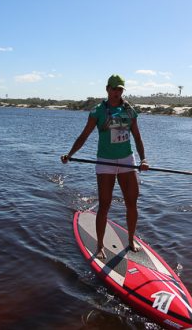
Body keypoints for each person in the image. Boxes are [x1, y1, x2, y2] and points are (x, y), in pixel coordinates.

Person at [61, 74, 148, 259]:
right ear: (107, 89)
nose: (117, 92)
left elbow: (138, 138)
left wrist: (143, 160)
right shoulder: (98, 111)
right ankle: (100, 246)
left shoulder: (130, 111)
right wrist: (70, 154)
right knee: (105, 204)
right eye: (114, 88)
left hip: (126, 160)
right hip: (105, 162)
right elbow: (84, 135)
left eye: (120, 89)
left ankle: (131, 240)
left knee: (132, 202)